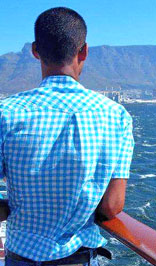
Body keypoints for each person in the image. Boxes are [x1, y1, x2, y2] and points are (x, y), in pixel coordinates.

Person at [0, 7, 134, 265]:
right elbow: (112, 206)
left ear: (35, 50)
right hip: (80, 258)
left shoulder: (7, 113)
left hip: (22, 257)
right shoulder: (116, 116)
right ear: (83, 51)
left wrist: (15, 207)